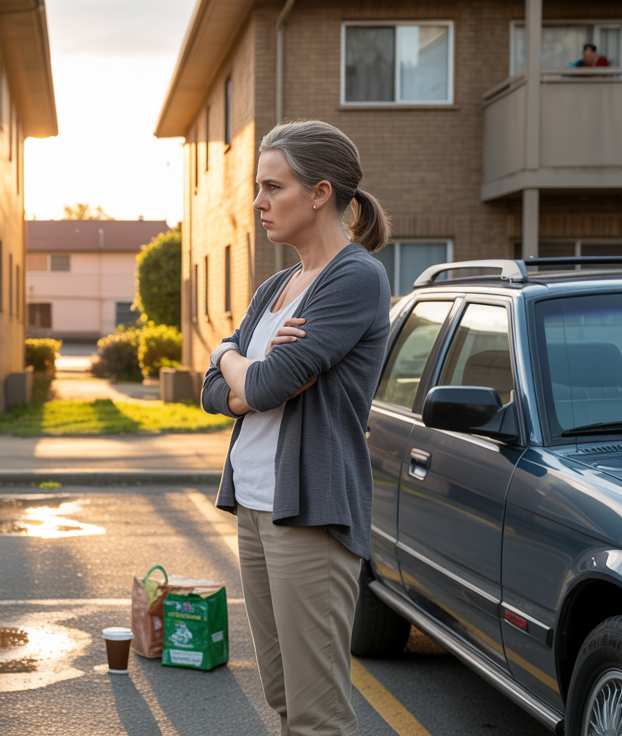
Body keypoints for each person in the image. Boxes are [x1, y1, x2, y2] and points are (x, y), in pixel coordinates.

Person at [201, 120, 391, 735]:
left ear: (319, 193)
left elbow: (257, 386)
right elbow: (213, 393)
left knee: (317, 713)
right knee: (282, 694)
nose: (257, 202)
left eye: (271, 187)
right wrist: (242, 368)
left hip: (309, 510)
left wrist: (233, 362)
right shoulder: (276, 287)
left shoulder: (354, 278)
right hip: (256, 505)